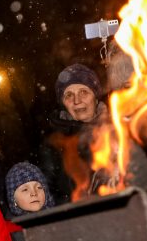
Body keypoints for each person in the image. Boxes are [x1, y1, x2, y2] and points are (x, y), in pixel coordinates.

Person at [38, 63, 109, 204]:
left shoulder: (117, 129)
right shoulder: (53, 144)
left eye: (83, 92)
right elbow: (46, 193)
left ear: (95, 97)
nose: (77, 101)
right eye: (69, 95)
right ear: (63, 103)